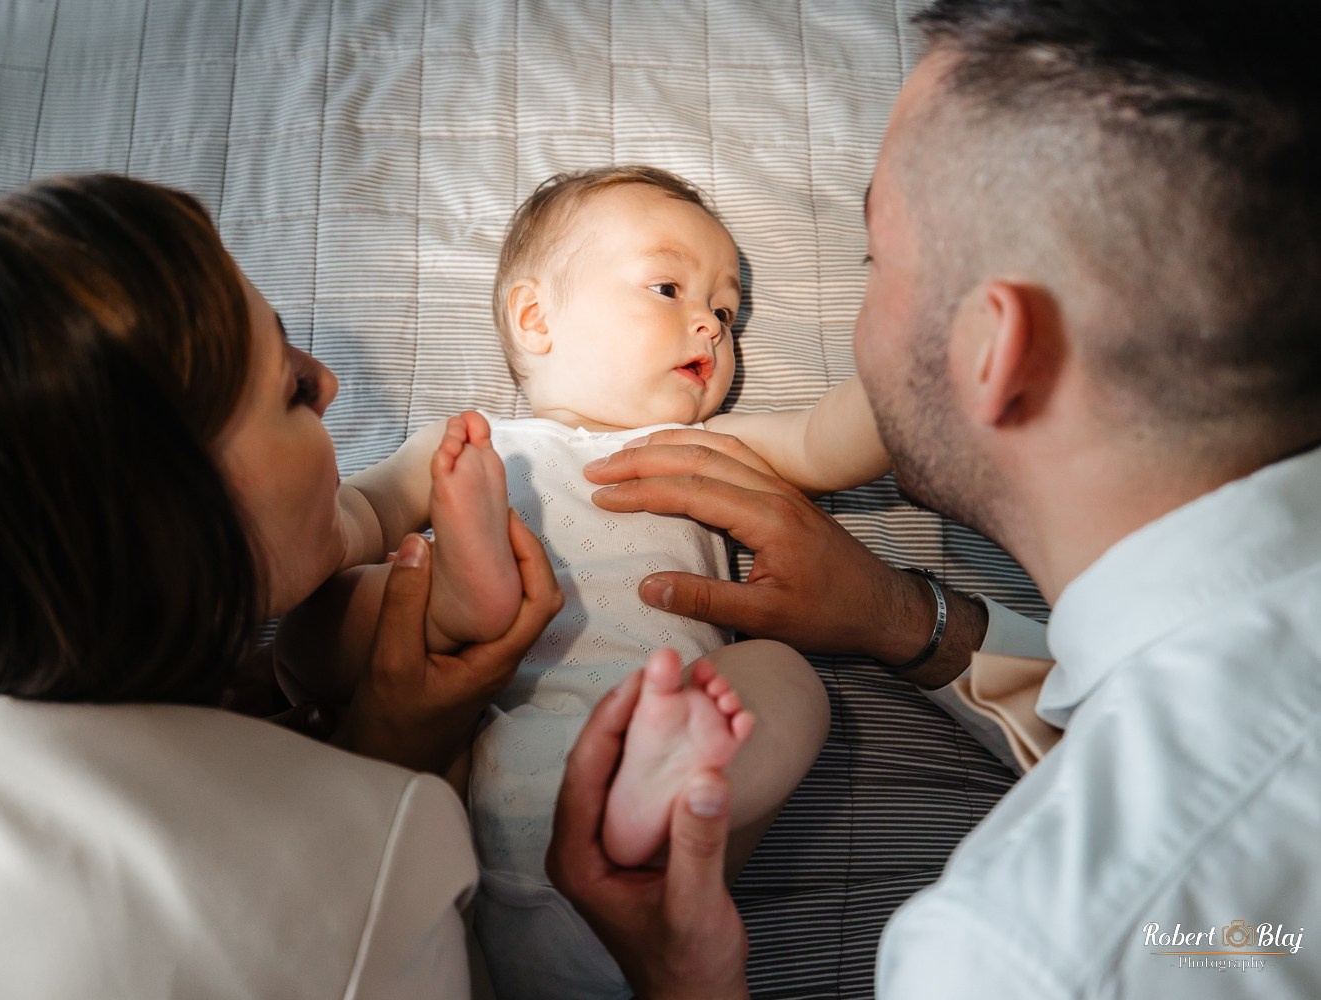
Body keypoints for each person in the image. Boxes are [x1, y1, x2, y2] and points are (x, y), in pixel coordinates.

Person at [549, 0, 1321, 997]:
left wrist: (682, 982)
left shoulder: (1017, 954)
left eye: (876, 261)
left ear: (992, 350)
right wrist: (906, 618)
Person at [0, 173, 566, 999]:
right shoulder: (373, 868)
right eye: (291, 390)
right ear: (179, 529)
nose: (328, 382)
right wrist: (407, 758)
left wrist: (392, 499)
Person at [277, 164, 890, 999]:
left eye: (726, 312)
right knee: (324, 621)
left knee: (783, 679)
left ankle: (669, 792)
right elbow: (351, 516)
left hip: (645, 826)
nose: (710, 328)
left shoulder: (711, 447)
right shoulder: (475, 446)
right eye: (669, 288)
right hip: (464, 769)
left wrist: (917, 361)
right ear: (536, 319)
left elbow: (825, 441)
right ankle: (460, 606)